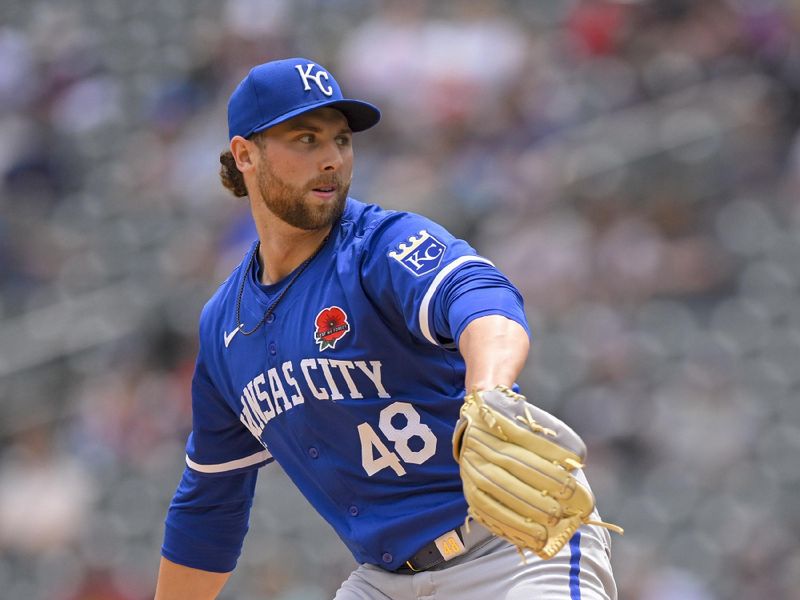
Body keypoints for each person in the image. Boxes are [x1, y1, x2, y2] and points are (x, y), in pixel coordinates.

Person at [154, 57, 618, 600]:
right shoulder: (223, 326)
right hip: (384, 582)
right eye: (306, 139)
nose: (331, 159)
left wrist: (488, 388)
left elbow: (484, 299)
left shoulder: (380, 245)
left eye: (342, 140)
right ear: (245, 154)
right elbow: (210, 504)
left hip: (513, 553)